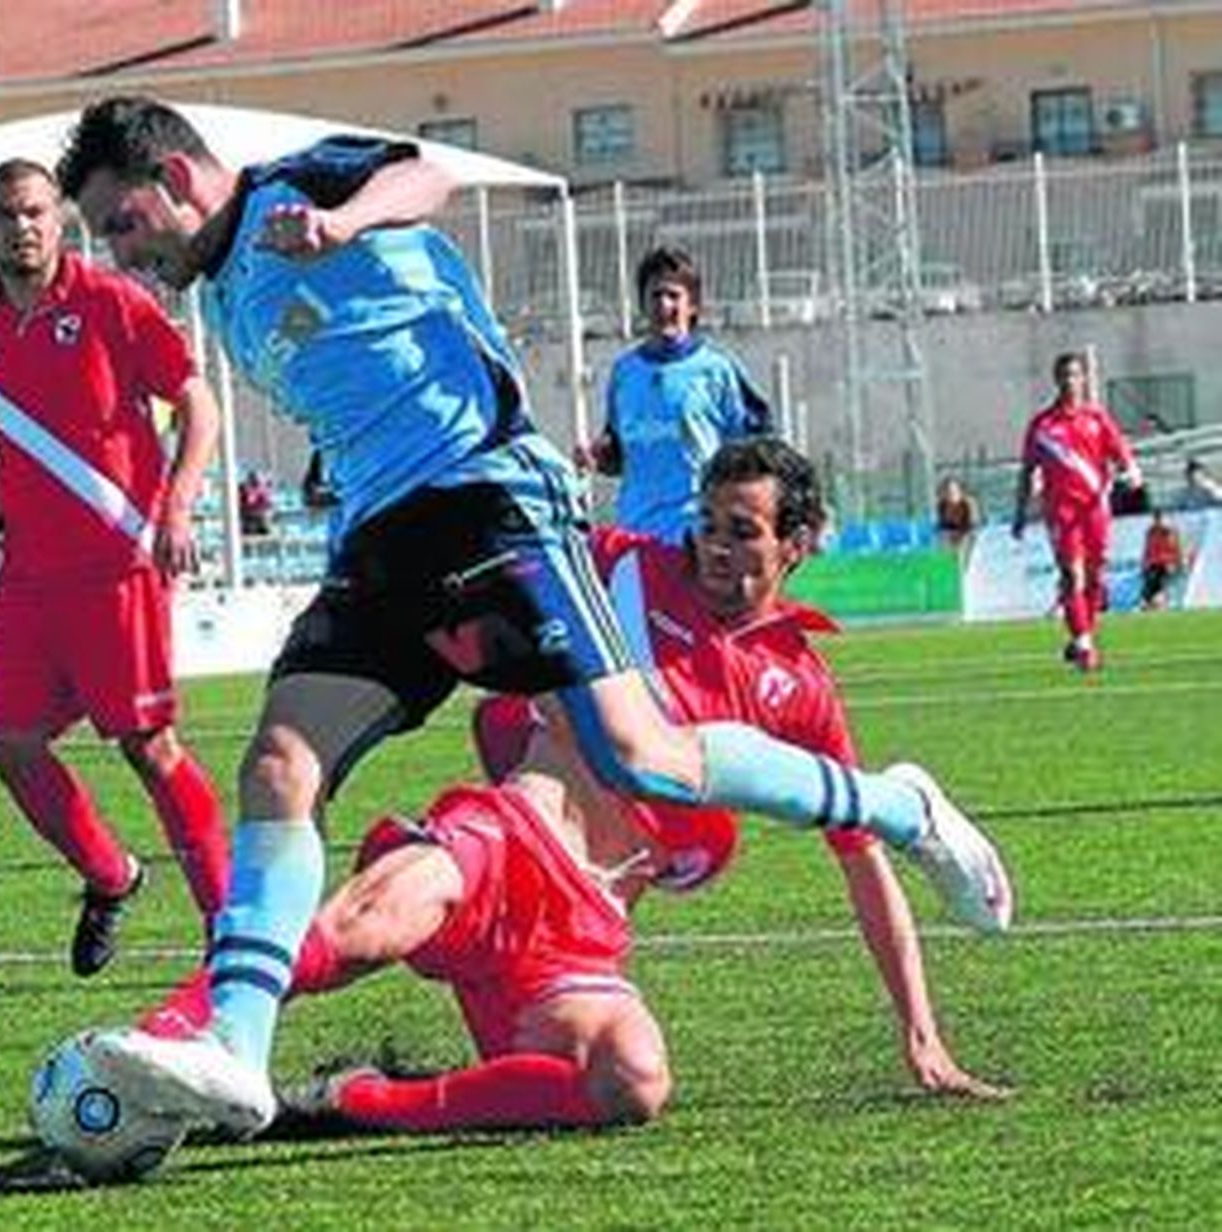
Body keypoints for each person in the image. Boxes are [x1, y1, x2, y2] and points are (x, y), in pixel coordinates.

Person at [55, 98, 1010, 1134]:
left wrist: (346, 221)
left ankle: (901, 806)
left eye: (121, 222)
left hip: (489, 499)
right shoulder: (228, 290)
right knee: (279, 763)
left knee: (647, 757)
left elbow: (429, 175)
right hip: (381, 545)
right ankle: (234, 1047)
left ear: (180, 177)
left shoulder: (298, 186)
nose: (123, 251)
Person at [132, 439, 1008, 1136]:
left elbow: (861, 863)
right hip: (507, 834)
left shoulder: (802, 690)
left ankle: (347, 1102)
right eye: (707, 522)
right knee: (358, 929)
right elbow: (495, 553)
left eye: (743, 530)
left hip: (582, 929)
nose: (714, 544)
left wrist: (920, 1031)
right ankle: (164, 1042)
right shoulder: (619, 564)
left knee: (632, 1082)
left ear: (799, 544)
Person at [0, 158, 230, 977]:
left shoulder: (112, 303)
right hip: (29, 578)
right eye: (4, 214)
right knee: (13, 745)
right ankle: (111, 876)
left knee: (149, 746)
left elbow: (197, 404)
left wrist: (178, 506)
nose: (20, 226)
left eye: (34, 211)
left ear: (58, 220)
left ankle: (228, 928)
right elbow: (0, 442)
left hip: (118, 562)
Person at [575, 246, 768, 546]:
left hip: (699, 538)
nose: (664, 305)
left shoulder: (716, 369)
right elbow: (620, 455)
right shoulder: (625, 372)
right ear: (642, 304)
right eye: (655, 296)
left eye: (673, 295)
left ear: (692, 306)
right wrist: (597, 456)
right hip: (636, 536)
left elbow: (758, 447)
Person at [1011, 352, 1142, 672]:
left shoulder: (1097, 419)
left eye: (1075, 375)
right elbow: (1027, 471)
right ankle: (1084, 644)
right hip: (1061, 512)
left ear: (1084, 379)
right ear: (1056, 380)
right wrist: (1019, 512)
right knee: (1073, 576)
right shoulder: (1042, 426)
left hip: (1095, 508)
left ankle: (1082, 635)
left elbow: (1121, 453)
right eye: (1064, 375)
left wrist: (1131, 472)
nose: (1070, 381)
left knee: (1096, 577)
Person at [1139, 509, 1184, 611]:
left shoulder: (1169, 532)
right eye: (1156, 518)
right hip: (1153, 564)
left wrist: (1177, 563)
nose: (1158, 521)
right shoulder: (1150, 532)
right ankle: (1150, 603)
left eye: (1159, 518)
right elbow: (1146, 550)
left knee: (1157, 583)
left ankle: (1155, 603)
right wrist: (1144, 563)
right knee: (1149, 584)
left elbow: (1176, 549)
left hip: (1166, 564)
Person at [935, 476, 979, 553]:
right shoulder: (942, 505)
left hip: (967, 530)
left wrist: (960, 534)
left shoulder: (968, 503)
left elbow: (973, 524)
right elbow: (942, 525)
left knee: (968, 539)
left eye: (954, 492)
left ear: (960, 492)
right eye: (948, 493)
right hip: (951, 530)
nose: (951, 496)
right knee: (942, 538)